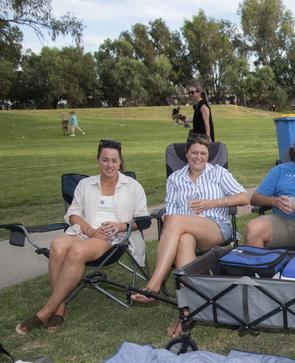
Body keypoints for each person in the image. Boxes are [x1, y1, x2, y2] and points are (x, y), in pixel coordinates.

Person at [16, 140, 148, 335]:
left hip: (112, 237)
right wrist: (89, 231)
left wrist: (120, 225)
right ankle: (59, 308)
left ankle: (46, 311)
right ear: (98, 160)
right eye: (105, 160)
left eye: (114, 160)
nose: (109, 165)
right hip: (84, 231)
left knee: (76, 251)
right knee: (57, 246)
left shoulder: (132, 187)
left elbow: (144, 221)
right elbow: (73, 214)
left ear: (120, 162)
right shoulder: (85, 184)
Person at [131, 134, 249, 336]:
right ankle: (187, 311)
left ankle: (154, 284)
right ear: (186, 154)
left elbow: (244, 197)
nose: (198, 157)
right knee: (184, 238)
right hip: (184, 230)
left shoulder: (218, 173)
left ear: (208, 155)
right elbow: (170, 209)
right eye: (194, 152)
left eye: (203, 153)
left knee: (175, 220)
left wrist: (212, 203)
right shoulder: (175, 178)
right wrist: (173, 221)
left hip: (216, 226)